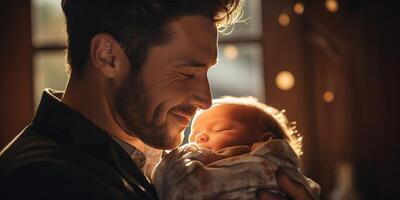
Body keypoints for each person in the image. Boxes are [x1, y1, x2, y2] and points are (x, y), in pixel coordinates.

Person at [0, 0, 313, 199]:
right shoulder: (45, 181)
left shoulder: (135, 161)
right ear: (108, 57)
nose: (206, 100)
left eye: (206, 73)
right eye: (186, 73)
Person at [152, 96, 320, 200]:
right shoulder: (195, 162)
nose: (199, 138)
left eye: (219, 129)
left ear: (265, 141)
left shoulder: (275, 162)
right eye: (194, 134)